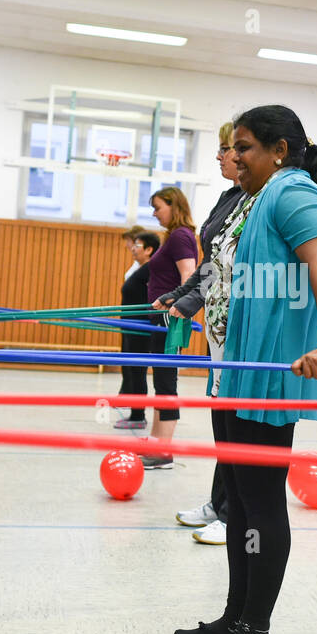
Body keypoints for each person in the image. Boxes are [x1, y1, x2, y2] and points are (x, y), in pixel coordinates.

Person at [172, 104, 317, 634]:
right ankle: (234, 616)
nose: (235, 157)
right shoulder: (251, 199)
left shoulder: (295, 192)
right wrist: (185, 301)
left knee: (261, 501)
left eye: (243, 147)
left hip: (267, 371)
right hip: (231, 367)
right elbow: (222, 273)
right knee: (239, 503)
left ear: (278, 149)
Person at [160, 122, 247, 544]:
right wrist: (180, 296)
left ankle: (233, 515)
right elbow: (210, 261)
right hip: (216, 324)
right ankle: (219, 502)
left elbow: (228, 269)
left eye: (227, 149)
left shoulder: (254, 200)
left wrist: (187, 300)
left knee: (234, 419)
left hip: (236, 325)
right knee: (220, 413)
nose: (220, 156)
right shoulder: (230, 197)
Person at [139, 187, 198, 468]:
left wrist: (176, 310)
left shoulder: (181, 236)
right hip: (160, 316)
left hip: (168, 317)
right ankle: (156, 441)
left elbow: (189, 277)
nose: (154, 213)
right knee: (160, 380)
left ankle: (164, 450)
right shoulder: (173, 237)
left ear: (174, 206)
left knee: (165, 381)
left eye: (158, 207)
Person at [116, 232, 160, 428]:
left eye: (138, 245)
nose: (133, 249)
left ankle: (137, 415)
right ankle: (134, 412)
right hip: (130, 325)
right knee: (132, 370)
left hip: (140, 327)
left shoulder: (152, 269)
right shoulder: (140, 268)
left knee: (137, 370)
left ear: (149, 250)